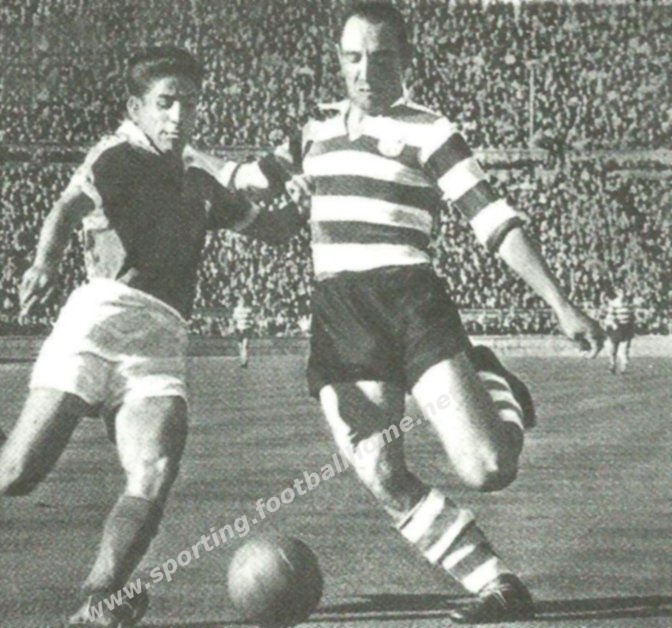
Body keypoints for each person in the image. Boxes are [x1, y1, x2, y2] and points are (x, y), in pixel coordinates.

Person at [187, 3, 605, 623]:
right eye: (353, 57)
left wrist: (560, 303)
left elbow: (493, 220)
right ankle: (497, 583)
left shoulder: (431, 130)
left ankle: (497, 382)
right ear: (339, 61)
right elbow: (246, 178)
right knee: (382, 474)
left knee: (489, 469)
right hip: (339, 316)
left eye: (381, 58)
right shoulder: (312, 129)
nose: (366, 70)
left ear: (406, 60)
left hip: (410, 303)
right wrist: (185, 155)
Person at [0, 46, 302, 627]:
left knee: (154, 470)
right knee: (11, 475)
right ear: (137, 107)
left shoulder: (201, 180)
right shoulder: (118, 156)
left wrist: (308, 196)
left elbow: (274, 230)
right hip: (99, 319)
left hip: (161, 342)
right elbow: (66, 208)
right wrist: (44, 263)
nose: (179, 115)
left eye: (189, 102)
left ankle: (102, 597)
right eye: (166, 102)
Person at [604, 287, 635, 374]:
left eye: (624, 292)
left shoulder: (629, 304)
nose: (623, 294)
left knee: (625, 348)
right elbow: (610, 316)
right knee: (613, 348)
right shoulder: (614, 303)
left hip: (626, 327)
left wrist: (632, 327)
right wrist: (614, 324)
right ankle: (612, 365)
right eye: (621, 292)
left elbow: (632, 317)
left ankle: (623, 367)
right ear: (617, 293)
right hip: (617, 328)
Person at [232, 295, 253, 368]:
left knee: (245, 346)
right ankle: (242, 361)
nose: (242, 302)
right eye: (240, 301)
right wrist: (234, 327)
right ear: (238, 302)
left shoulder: (248, 310)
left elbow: (252, 320)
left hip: (246, 329)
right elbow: (234, 319)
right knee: (240, 347)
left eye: (243, 301)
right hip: (239, 329)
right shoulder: (236, 310)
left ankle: (245, 362)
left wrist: (250, 324)